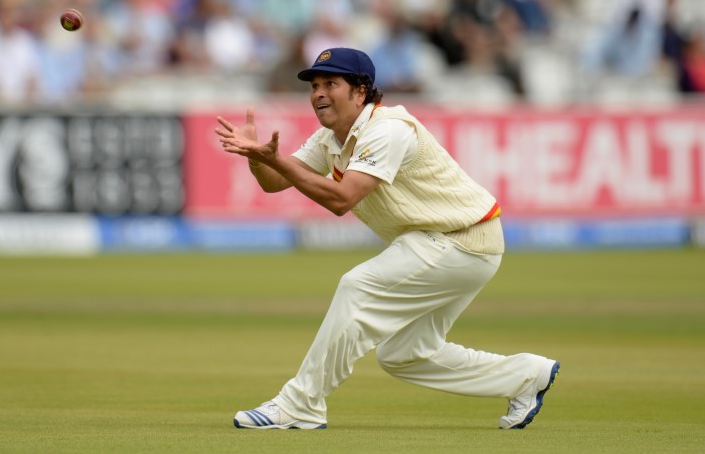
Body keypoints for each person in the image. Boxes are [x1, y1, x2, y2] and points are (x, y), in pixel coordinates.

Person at [214, 47, 560, 430]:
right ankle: (526, 376)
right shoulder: (330, 138)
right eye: (314, 86)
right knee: (404, 354)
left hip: (459, 239)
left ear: (361, 91)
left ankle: (301, 404)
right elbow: (276, 182)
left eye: (331, 83)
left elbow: (342, 199)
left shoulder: (387, 129)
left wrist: (273, 159)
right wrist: (258, 157)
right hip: (451, 244)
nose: (318, 94)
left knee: (357, 287)